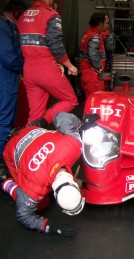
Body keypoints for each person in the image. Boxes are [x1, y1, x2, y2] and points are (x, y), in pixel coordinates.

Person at [1, 112, 84, 237]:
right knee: (41, 205)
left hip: (31, 131)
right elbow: (24, 216)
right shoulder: (34, 189)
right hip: (12, 148)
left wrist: (81, 124)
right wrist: (50, 226)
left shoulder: (74, 145)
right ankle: (6, 182)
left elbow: (61, 117)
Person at [17, 0, 78, 128]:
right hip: (46, 68)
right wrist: (70, 66)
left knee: (34, 115)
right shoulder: (51, 15)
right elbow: (55, 45)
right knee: (70, 100)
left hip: (28, 69)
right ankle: (44, 121)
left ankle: (28, 141)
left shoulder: (23, 16)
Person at [0, 0, 28, 183]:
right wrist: (27, 69)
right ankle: (2, 162)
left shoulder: (9, 27)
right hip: (5, 81)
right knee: (4, 121)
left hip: (7, 80)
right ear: (17, 13)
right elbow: (8, 57)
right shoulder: (3, 29)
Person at [79, 12, 113, 99]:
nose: (108, 26)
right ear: (101, 23)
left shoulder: (87, 33)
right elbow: (93, 54)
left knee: (91, 101)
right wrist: (100, 69)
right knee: (95, 102)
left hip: (87, 73)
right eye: (107, 23)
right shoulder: (95, 36)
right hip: (92, 76)